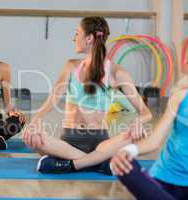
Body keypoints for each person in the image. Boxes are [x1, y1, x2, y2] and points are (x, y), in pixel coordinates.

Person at [22, 16, 152, 174]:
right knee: (32, 138)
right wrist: (36, 120)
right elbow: (53, 99)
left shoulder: (117, 73)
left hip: (100, 143)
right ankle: (98, 163)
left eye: (77, 33)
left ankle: (70, 163)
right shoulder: (71, 66)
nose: (74, 38)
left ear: (89, 38)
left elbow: (146, 112)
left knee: (141, 135)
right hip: (69, 143)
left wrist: (138, 122)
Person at [110, 29, 188, 199]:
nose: (185, 59)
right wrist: (128, 150)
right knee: (123, 166)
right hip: (165, 183)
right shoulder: (181, 96)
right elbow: (154, 141)